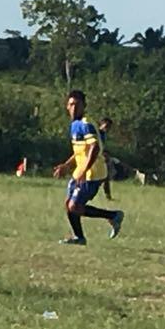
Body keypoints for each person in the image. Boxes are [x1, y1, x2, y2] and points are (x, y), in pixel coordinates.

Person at [52, 89, 125, 246]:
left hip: (93, 173)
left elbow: (94, 148)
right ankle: (79, 237)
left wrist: (84, 172)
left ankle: (113, 216)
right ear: (67, 106)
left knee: (75, 206)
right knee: (69, 205)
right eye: (71, 104)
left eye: (77, 105)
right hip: (81, 171)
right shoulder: (74, 125)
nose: (74, 108)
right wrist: (66, 165)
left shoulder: (86, 124)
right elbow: (80, 152)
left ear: (84, 106)